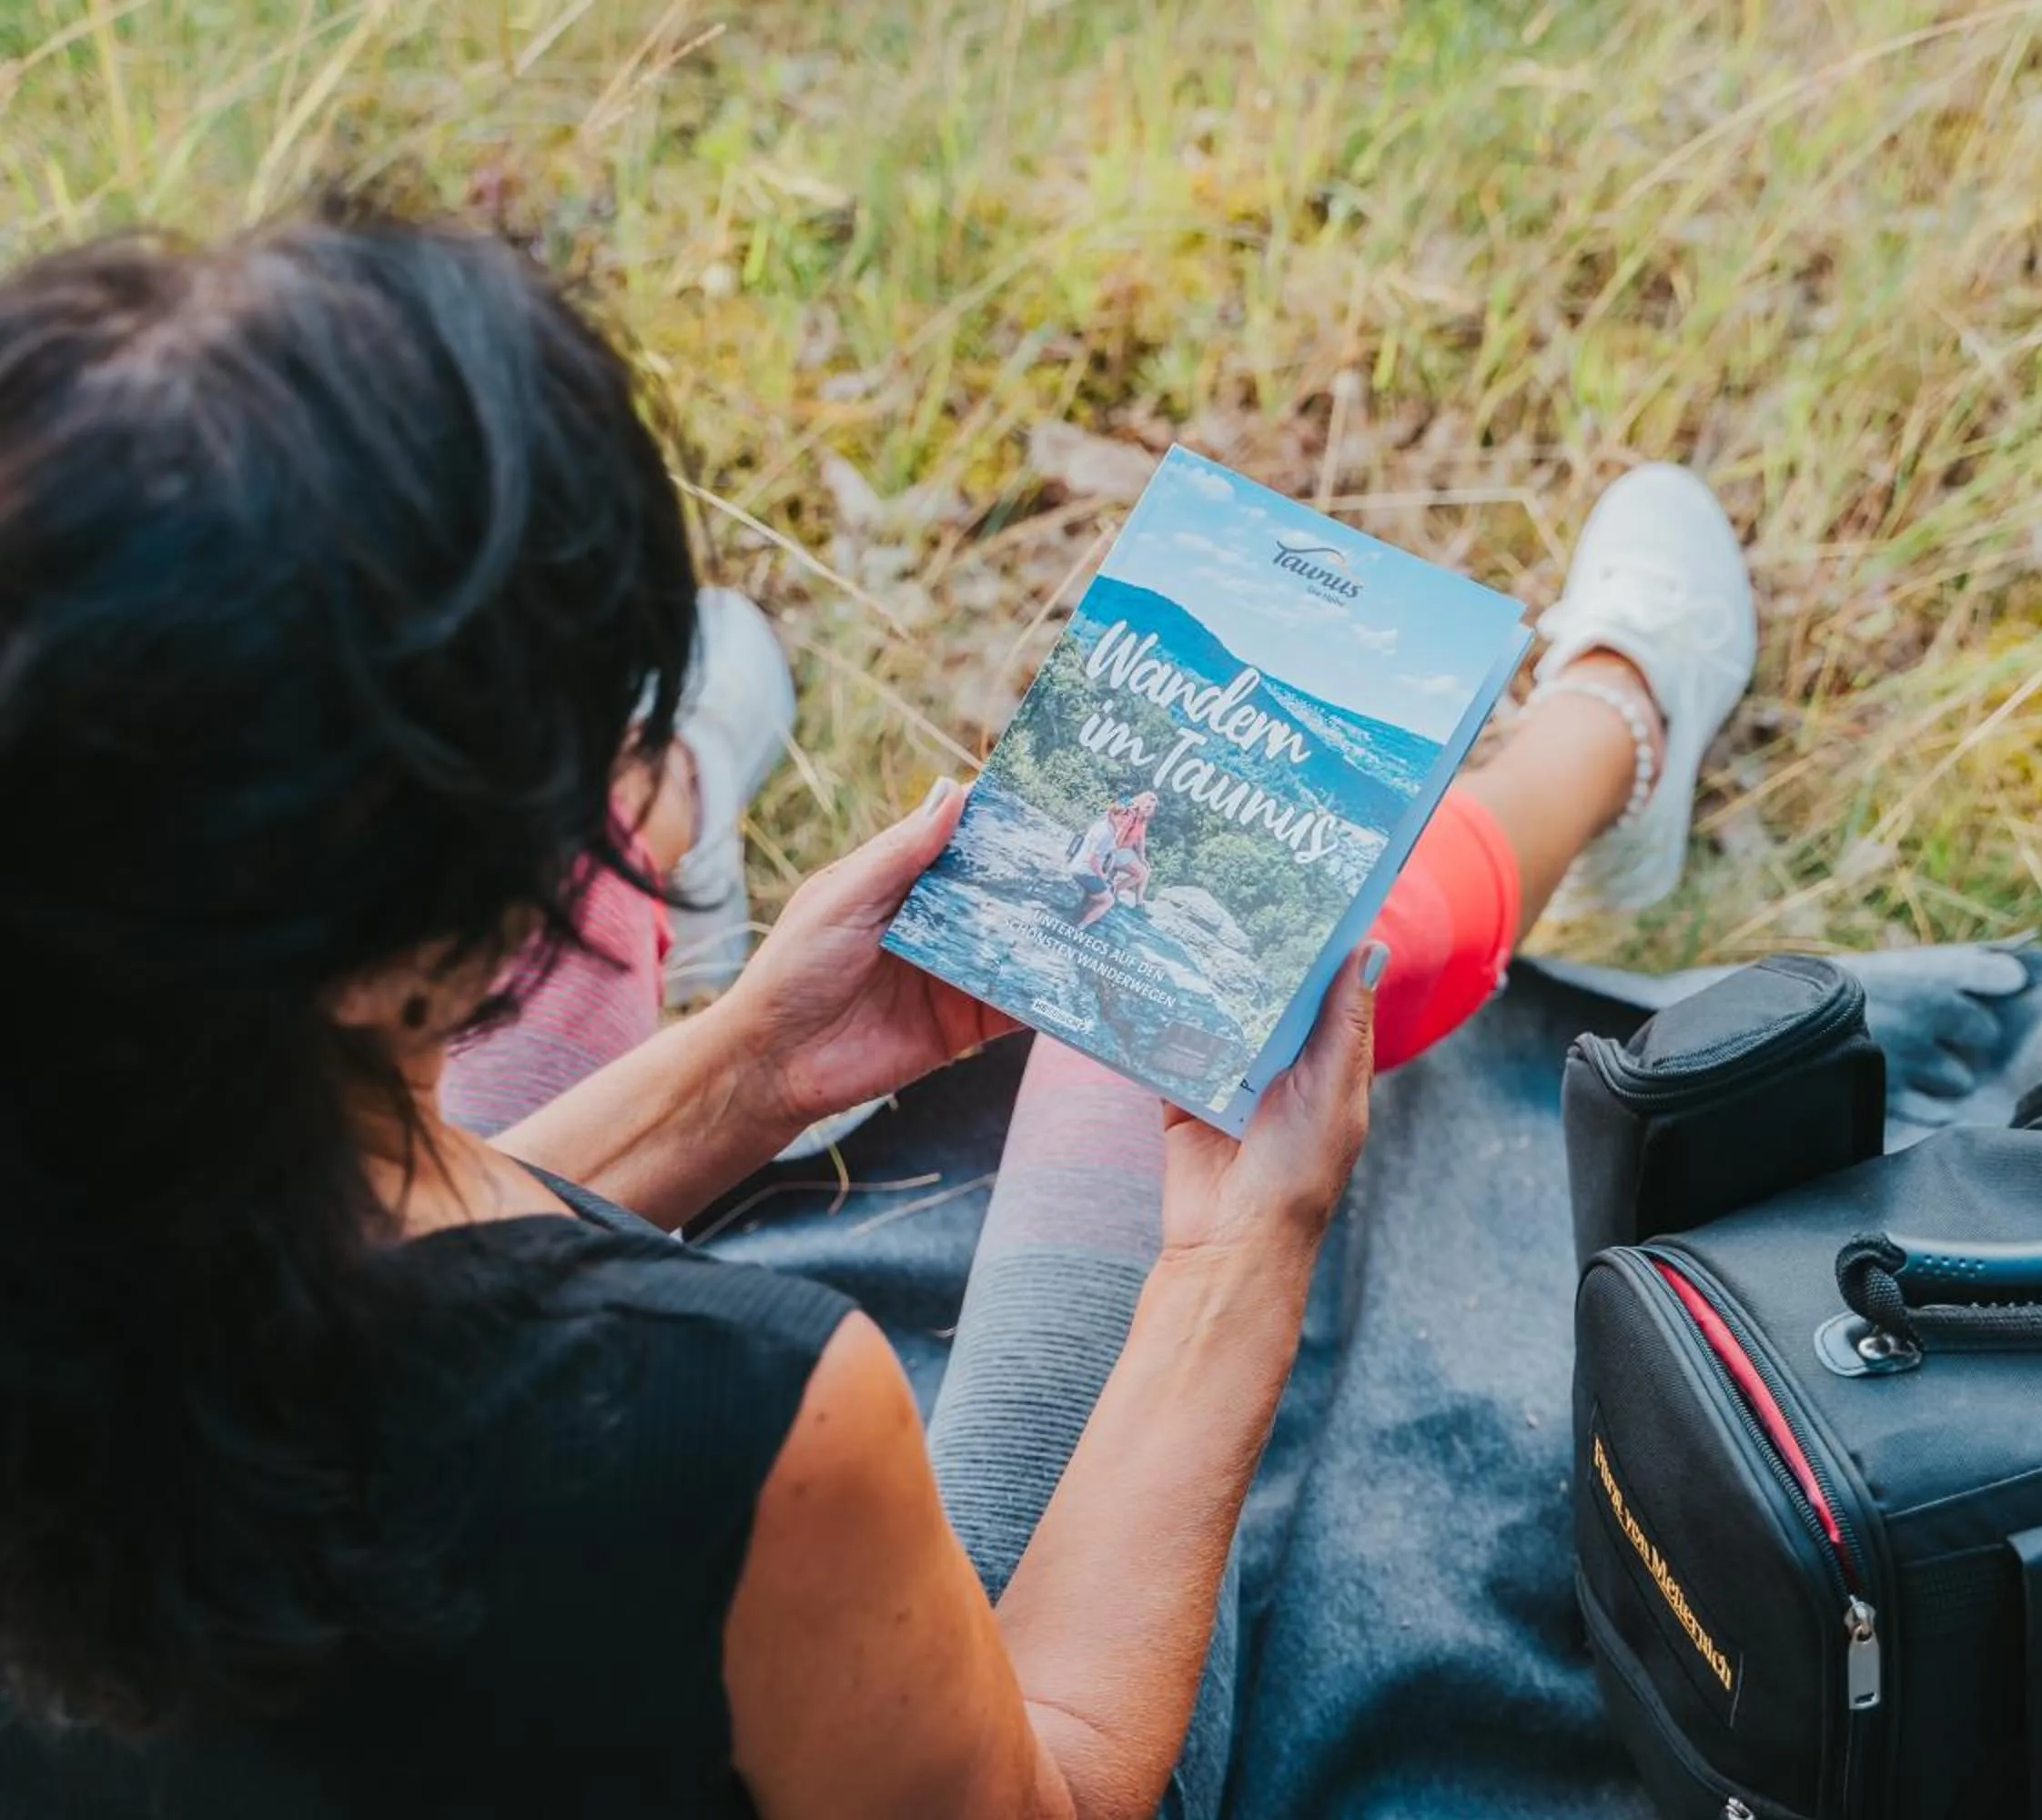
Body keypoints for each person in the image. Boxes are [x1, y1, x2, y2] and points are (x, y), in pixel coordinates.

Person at [0, 206, 1757, 1818]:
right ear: (395, 964)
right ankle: (1609, 723)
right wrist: (1241, 1265)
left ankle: (677, 804)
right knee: (1150, 1006)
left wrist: (752, 1072)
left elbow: (352, 1262)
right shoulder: (727, 1422)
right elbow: (1047, 1791)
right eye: (562, 766)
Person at [1067, 790, 1157, 927]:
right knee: (1141, 873)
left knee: (1145, 870)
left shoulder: (1142, 819)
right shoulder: (1128, 813)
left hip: (1124, 850)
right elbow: (1116, 836)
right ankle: (1114, 892)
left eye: (1152, 808)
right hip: (1117, 849)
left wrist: (1142, 857)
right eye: (1148, 806)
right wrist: (1112, 853)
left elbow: (1141, 840)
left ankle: (1138, 903)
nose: (1150, 810)